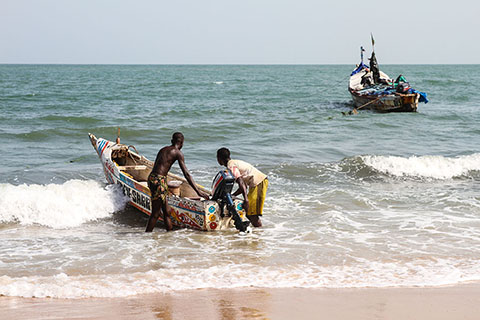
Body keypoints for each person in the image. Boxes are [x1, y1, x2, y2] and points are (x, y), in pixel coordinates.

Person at [146, 132, 209, 232]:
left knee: (167, 211)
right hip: (160, 181)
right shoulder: (177, 152)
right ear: (182, 143)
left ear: (172, 141)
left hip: (152, 178)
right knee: (155, 213)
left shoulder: (163, 149)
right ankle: (147, 236)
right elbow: (186, 174)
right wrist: (198, 191)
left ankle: (169, 234)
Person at [216, 147, 268, 227]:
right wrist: (233, 195)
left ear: (219, 158)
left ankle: (259, 234)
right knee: (249, 213)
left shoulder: (231, 166)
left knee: (251, 214)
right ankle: (258, 233)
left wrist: (246, 200)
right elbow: (243, 186)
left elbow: (240, 181)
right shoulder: (234, 162)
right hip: (257, 182)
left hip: (258, 182)